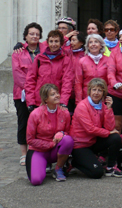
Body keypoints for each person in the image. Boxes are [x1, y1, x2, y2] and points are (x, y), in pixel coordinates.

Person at [70, 78, 122, 178]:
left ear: (103, 93)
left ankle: (111, 167)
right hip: (80, 145)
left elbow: (110, 127)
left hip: (93, 141)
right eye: (94, 89)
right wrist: (108, 133)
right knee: (97, 173)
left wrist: (108, 109)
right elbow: (90, 129)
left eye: (100, 90)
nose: (96, 93)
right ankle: (74, 162)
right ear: (89, 91)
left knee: (116, 137)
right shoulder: (82, 106)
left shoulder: (102, 106)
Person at [25, 84, 73, 185]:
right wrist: (50, 144)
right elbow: (30, 140)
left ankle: (58, 168)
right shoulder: (35, 114)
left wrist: (62, 133)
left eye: (57, 93)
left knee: (68, 140)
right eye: (52, 94)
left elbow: (69, 132)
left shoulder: (65, 113)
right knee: (36, 181)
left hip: (55, 150)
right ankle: (41, 165)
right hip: (39, 151)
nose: (57, 95)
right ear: (45, 99)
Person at [12, 23, 44, 166]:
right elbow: (17, 73)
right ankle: (24, 154)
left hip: (40, 94)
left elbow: (59, 40)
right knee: (23, 122)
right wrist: (31, 88)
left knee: (38, 124)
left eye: (37, 34)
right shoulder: (18, 52)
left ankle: (35, 150)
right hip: (22, 94)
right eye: (31, 33)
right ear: (25, 36)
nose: (34, 36)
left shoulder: (44, 49)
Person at [25, 30, 74, 112]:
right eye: (51, 41)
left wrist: (63, 101)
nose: (53, 44)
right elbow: (30, 80)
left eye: (56, 41)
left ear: (61, 43)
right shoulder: (39, 58)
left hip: (56, 101)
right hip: (40, 100)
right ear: (47, 42)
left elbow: (67, 82)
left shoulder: (66, 60)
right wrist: (30, 102)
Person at [75, 34, 110, 104]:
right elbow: (78, 83)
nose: (93, 44)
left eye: (96, 42)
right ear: (87, 46)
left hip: (103, 98)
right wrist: (79, 101)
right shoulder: (82, 61)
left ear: (101, 45)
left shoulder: (108, 60)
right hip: (86, 98)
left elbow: (110, 81)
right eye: (90, 42)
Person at [67, 33, 87, 113]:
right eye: (70, 40)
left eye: (74, 40)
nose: (71, 43)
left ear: (81, 42)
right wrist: (67, 36)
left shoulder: (86, 55)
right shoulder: (67, 53)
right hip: (68, 90)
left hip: (81, 91)